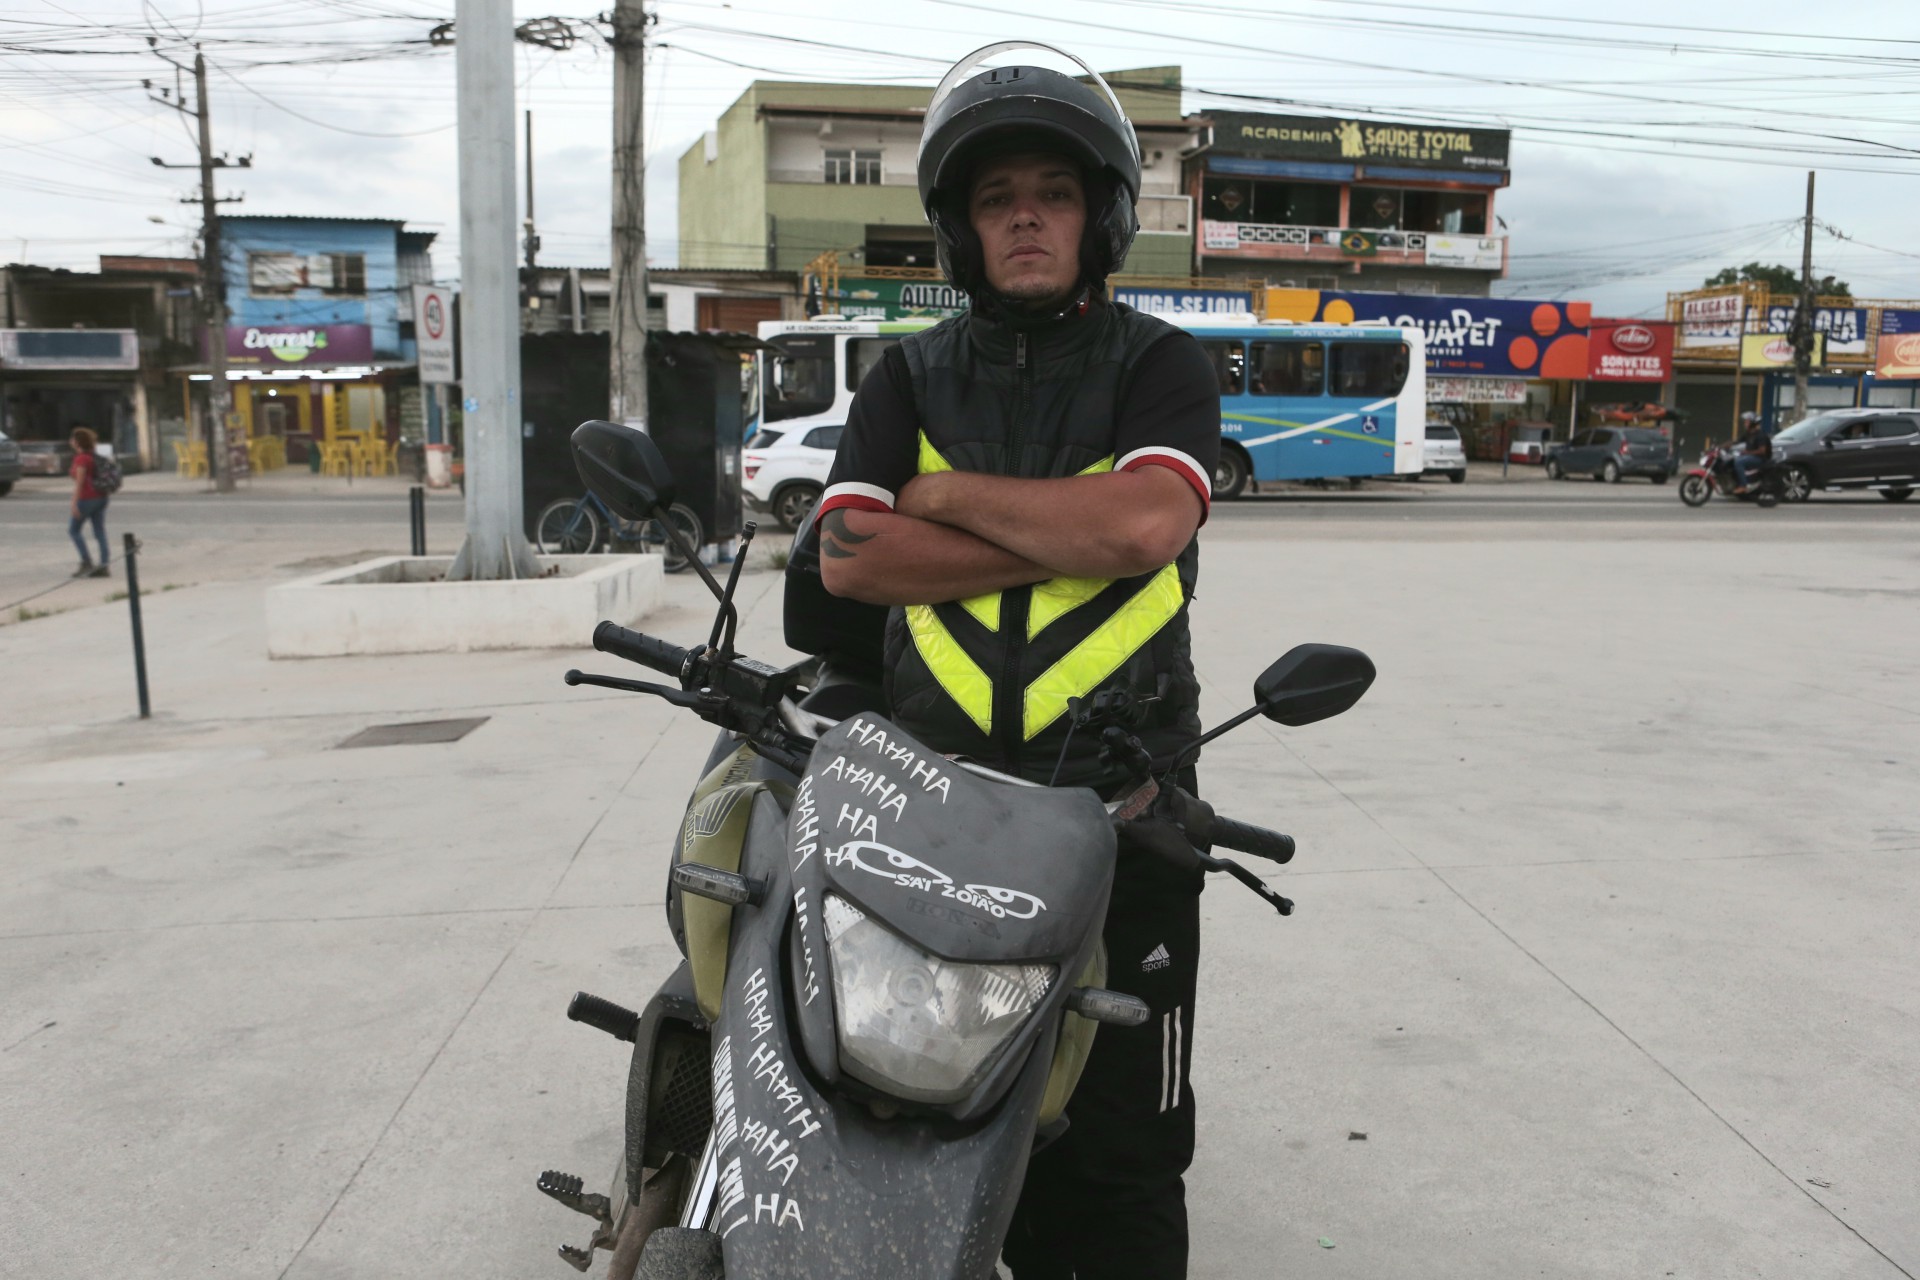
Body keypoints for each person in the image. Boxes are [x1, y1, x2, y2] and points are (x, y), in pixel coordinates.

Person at [811, 49, 1220, 1279]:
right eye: (998, 198)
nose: (1027, 215)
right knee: (905, 1105)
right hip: (932, 811)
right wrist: (1063, 528)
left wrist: (938, 498)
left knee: (1125, 1147)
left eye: (1053, 191)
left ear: (1099, 218)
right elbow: (846, 558)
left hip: (1125, 808)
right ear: (962, 228)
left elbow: (1147, 526)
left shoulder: (1159, 364)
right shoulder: (909, 372)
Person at [67, 425, 111, 578]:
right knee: (99, 531)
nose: (70, 441)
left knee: (73, 530)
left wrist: (74, 502)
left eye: (72, 439)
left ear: (77, 442)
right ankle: (104, 565)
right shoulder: (93, 456)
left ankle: (86, 562)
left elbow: (80, 482)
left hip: (86, 498)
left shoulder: (81, 459)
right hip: (101, 497)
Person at [1732, 411, 1770, 493]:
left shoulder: (1760, 435)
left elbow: (1762, 451)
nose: (1745, 423)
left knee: (1739, 462)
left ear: (1752, 423)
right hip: (1752, 457)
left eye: (1747, 422)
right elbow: (1736, 441)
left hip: (1760, 459)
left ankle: (1743, 485)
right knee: (1732, 459)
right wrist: (1720, 447)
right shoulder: (1748, 433)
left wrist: (1747, 453)